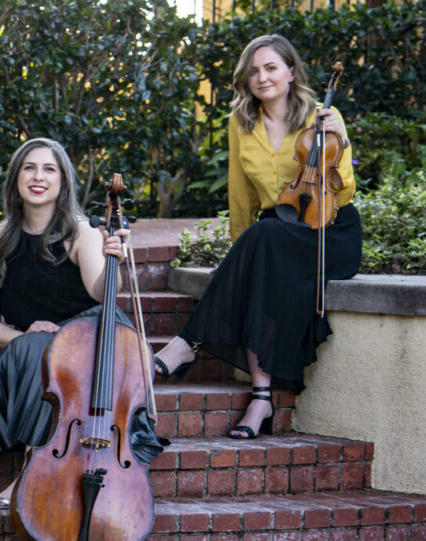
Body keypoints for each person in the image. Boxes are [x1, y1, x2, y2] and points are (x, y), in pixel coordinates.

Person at [153, 34, 361, 439]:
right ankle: (261, 399)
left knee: (266, 235)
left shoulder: (322, 117)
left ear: (291, 72)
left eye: (270, 68)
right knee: (263, 241)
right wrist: (239, 254)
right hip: (276, 230)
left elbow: (346, 191)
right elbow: (240, 193)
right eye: (254, 71)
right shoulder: (240, 122)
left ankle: (185, 345)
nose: (262, 77)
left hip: (328, 233)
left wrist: (343, 139)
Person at [0, 138, 157, 509]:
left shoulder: (79, 230)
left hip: (88, 343)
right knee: (34, 346)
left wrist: (111, 257)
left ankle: (28, 473)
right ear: (15, 178)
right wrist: (22, 335)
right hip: (30, 349)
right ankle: (37, 464)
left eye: (49, 169)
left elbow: (102, 294)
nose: (38, 177)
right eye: (29, 168)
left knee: (52, 346)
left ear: (62, 181)